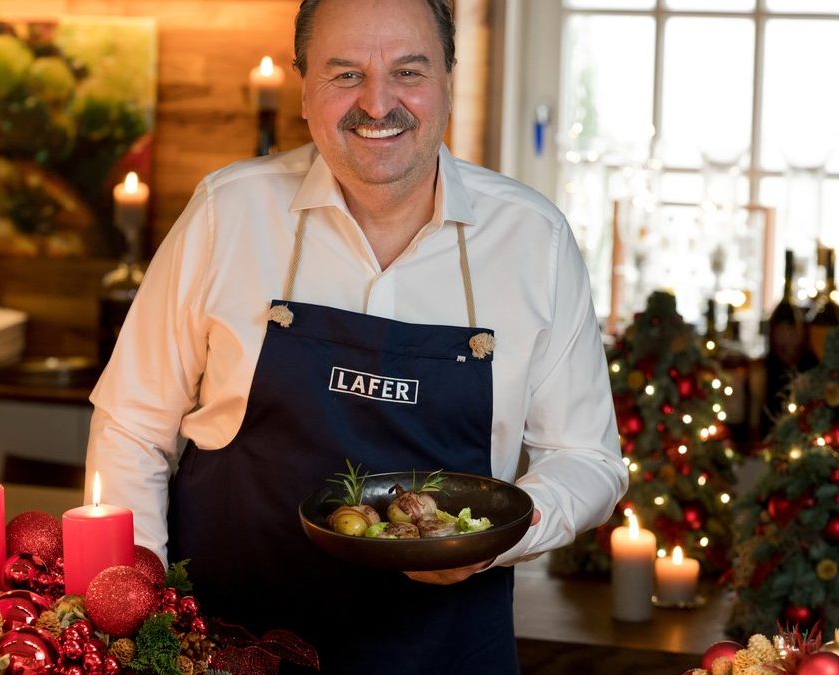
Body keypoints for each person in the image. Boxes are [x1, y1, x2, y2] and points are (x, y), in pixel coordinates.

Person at [85, 0, 628, 672]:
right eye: (345, 74)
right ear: (304, 84)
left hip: (447, 652)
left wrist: (491, 537)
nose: (377, 103)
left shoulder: (532, 241)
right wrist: (139, 617)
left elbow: (589, 459)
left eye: (408, 71)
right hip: (225, 649)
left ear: (448, 80)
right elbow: (130, 427)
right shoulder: (228, 213)